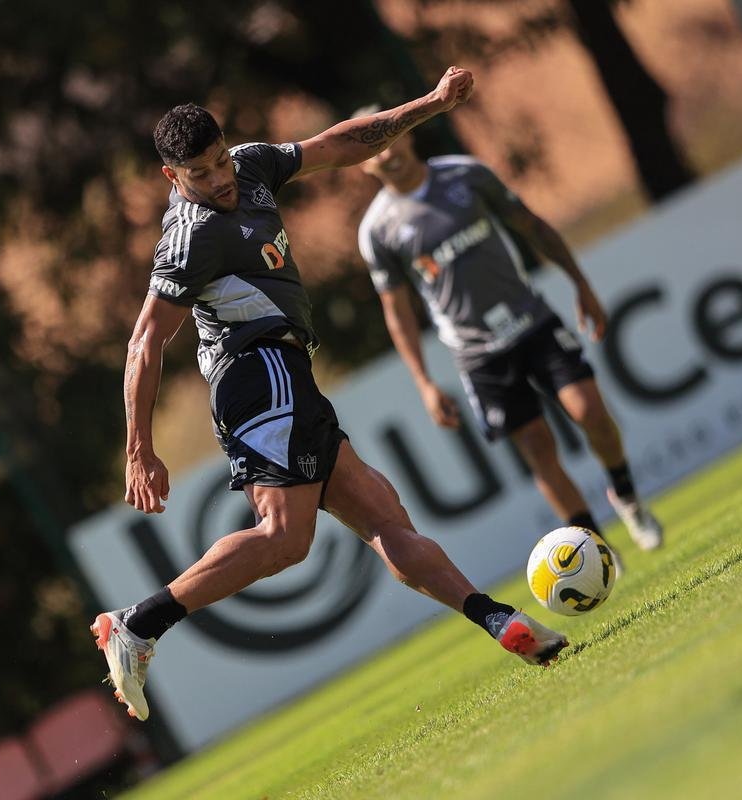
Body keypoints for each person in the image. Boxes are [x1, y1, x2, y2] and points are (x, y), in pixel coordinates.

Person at [91, 67, 568, 722]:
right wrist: (137, 449)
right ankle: (138, 625)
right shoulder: (187, 241)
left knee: (383, 516)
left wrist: (427, 104)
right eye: (198, 174)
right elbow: (145, 341)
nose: (218, 178)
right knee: (287, 540)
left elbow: (343, 143)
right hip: (254, 374)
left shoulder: (252, 169)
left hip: (287, 373)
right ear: (172, 179)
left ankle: (501, 622)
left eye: (219, 160)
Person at [355, 127, 663, 560]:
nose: (386, 155)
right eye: (373, 151)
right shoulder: (377, 229)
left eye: (389, 142)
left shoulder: (466, 175)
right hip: (477, 353)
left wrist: (580, 284)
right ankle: (595, 551)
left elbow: (531, 225)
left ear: (408, 138)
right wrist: (423, 381)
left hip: (531, 321)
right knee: (537, 447)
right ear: (364, 164)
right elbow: (397, 311)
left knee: (588, 411)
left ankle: (627, 497)